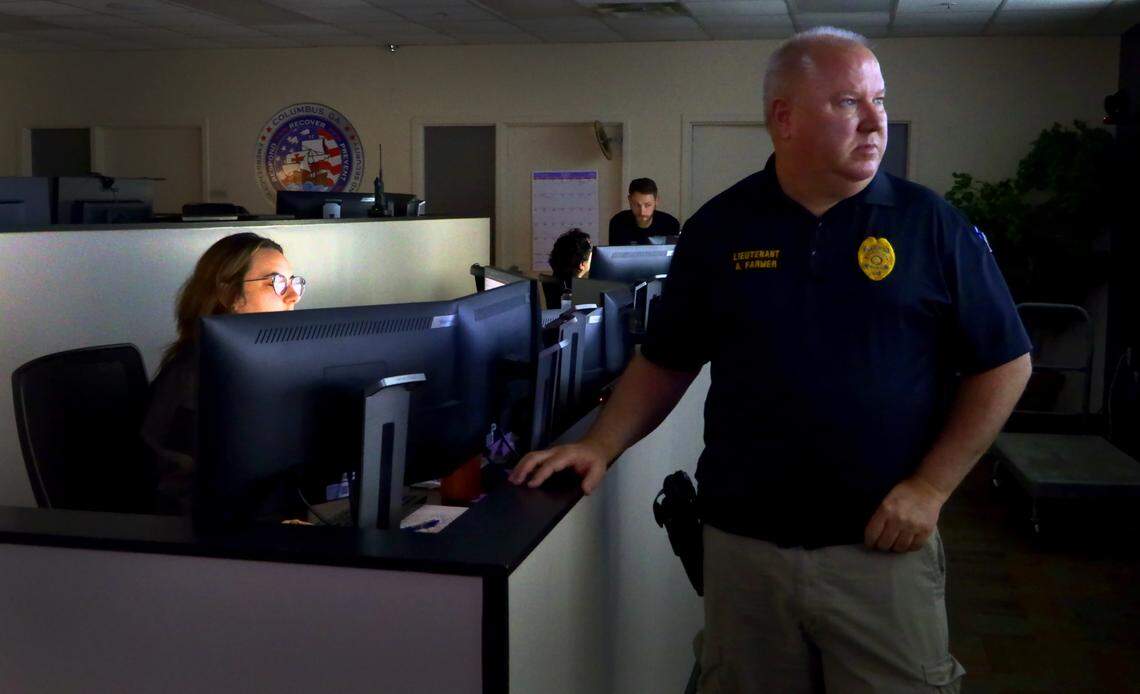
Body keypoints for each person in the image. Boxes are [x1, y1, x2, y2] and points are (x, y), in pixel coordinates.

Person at [510, 26, 1032, 693]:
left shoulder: (929, 224)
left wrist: (931, 489)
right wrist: (600, 443)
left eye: (879, 99)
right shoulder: (721, 229)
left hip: (880, 553)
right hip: (744, 551)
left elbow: (1005, 361)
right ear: (783, 119)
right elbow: (667, 359)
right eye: (849, 102)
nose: (876, 121)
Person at [141, 232, 306, 514]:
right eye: (276, 283)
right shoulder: (194, 377)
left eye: (294, 282)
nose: (292, 296)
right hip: (210, 544)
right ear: (230, 295)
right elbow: (179, 493)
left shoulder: (259, 367)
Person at [608, 178, 680, 246]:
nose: (642, 212)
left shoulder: (670, 224)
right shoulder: (618, 222)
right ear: (629, 200)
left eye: (647, 205)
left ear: (656, 201)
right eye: (637, 205)